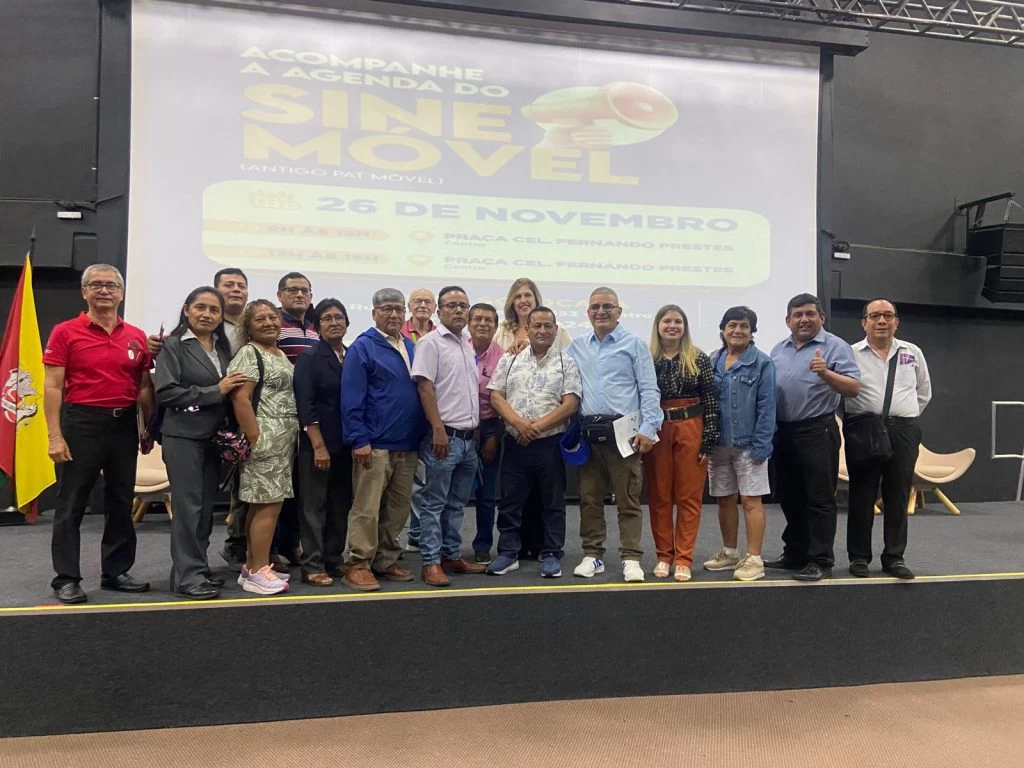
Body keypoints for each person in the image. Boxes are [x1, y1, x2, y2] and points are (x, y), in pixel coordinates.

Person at [43, 264, 155, 604]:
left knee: (121, 501)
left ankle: (116, 572)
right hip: (82, 424)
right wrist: (54, 435)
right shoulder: (65, 332)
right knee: (71, 504)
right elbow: (52, 385)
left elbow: (145, 387)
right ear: (84, 292)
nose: (104, 291)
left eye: (111, 286)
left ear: (121, 293)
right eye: (96, 285)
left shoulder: (136, 335)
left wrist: (146, 427)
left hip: (123, 426)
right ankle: (66, 578)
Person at [145, 267, 251, 565]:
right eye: (200, 307)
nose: (207, 314)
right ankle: (187, 574)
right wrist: (215, 391)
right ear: (186, 310)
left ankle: (198, 567)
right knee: (188, 507)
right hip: (183, 436)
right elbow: (166, 393)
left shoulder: (223, 347)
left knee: (205, 508)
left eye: (214, 310)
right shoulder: (174, 345)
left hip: (214, 437)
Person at [566, 287, 662, 583]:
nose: (601, 311)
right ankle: (593, 556)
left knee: (628, 498)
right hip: (589, 433)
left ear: (619, 311)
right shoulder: (576, 346)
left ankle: (631, 557)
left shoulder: (634, 345)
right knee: (589, 498)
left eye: (608, 306)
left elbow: (648, 389)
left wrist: (649, 428)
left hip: (625, 434)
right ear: (588, 312)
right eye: (595, 307)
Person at [768, 293, 861, 582]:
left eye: (810, 314)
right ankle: (795, 553)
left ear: (822, 317)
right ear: (788, 321)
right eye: (797, 315)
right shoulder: (778, 349)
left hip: (817, 429)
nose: (804, 319)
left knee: (819, 498)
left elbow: (854, 387)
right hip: (782, 431)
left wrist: (826, 374)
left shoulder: (835, 347)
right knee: (789, 495)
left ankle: (821, 560)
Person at [486, 307, 581, 578]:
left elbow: (571, 403)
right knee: (510, 501)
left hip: (548, 444)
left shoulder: (566, 362)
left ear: (555, 330)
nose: (542, 331)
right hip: (515, 443)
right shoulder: (511, 359)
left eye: (547, 326)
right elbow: (495, 396)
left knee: (553, 502)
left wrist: (535, 427)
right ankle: (507, 552)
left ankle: (551, 553)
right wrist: (518, 424)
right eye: (536, 326)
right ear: (527, 329)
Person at [341, 288, 425, 592]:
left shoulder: (411, 346)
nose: (393, 315)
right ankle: (358, 563)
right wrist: (359, 439)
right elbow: (351, 397)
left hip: (407, 444)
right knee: (367, 507)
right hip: (373, 444)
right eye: (387, 309)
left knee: (399, 507)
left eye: (398, 309)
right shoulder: (363, 347)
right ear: (374, 313)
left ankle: (385, 559)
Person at [845, 299, 931, 580]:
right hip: (865, 429)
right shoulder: (851, 354)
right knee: (861, 495)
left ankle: (894, 557)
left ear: (897, 321)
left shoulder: (912, 352)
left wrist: (901, 416)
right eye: (875, 316)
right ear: (864, 322)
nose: (881, 321)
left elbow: (923, 392)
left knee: (898, 494)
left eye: (887, 316)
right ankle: (858, 557)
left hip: (903, 430)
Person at [411, 285, 486, 587]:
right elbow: (424, 387)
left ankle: (451, 554)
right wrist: (438, 429)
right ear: (439, 311)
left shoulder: (467, 343)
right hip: (443, 439)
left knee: (457, 504)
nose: (458, 310)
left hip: (468, 440)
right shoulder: (431, 343)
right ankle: (430, 562)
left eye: (463, 305)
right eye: (452, 305)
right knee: (433, 503)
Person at [644, 305, 720, 583]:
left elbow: (711, 400)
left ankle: (684, 558)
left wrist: (709, 439)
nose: (672, 326)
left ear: (685, 327)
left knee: (689, 497)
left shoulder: (697, 357)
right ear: (658, 325)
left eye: (678, 321)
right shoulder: (648, 358)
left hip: (692, 427)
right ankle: (664, 555)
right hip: (657, 428)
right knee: (659, 495)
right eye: (667, 321)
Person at [228, 300, 299, 595]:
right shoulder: (249, 353)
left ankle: (251, 566)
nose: (269, 322)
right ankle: (259, 571)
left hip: (283, 441)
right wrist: (256, 438)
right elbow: (240, 398)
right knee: (268, 507)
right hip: (266, 440)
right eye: (260, 319)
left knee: (263, 505)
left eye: (273, 317)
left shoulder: (279, 353)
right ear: (248, 326)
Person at [703, 306, 776, 583]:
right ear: (723, 329)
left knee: (750, 501)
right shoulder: (711, 360)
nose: (737, 330)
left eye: (744, 326)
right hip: (718, 445)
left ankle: (754, 559)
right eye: (732, 325)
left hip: (749, 445)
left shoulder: (762, 363)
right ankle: (730, 552)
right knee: (724, 500)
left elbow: (768, 407)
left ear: (752, 331)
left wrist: (761, 445)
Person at [293, 299, 353, 586]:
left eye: (339, 317)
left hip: (347, 445)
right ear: (317, 327)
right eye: (327, 318)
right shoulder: (309, 358)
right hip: (317, 445)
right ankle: (312, 563)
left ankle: (333, 557)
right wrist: (318, 445)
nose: (334, 322)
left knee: (340, 503)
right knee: (314, 506)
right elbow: (306, 405)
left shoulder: (352, 355)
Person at [273, 272, 319, 568]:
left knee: (298, 489)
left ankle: (290, 546)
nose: (300, 295)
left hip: (305, 418)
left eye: (305, 290)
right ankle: (267, 550)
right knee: (275, 487)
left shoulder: (315, 329)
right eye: (293, 290)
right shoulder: (273, 324)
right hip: (276, 417)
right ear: (280, 295)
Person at [467, 303, 505, 565]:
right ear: (469, 323)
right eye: (477, 319)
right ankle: (447, 547)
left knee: (486, 494)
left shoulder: (503, 357)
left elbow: (505, 398)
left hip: (491, 428)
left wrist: (495, 436)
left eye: (488, 320)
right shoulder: (457, 349)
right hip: (459, 427)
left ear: (495, 326)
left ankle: (482, 545)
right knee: (451, 493)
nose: (482, 323)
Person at [494, 277, 572, 355]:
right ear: (512, 302)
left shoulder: (558, 330)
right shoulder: (501, 331)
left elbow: (572, 360)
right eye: (518, 297)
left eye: (527, 295)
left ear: (536, 299)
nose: (523, 300)